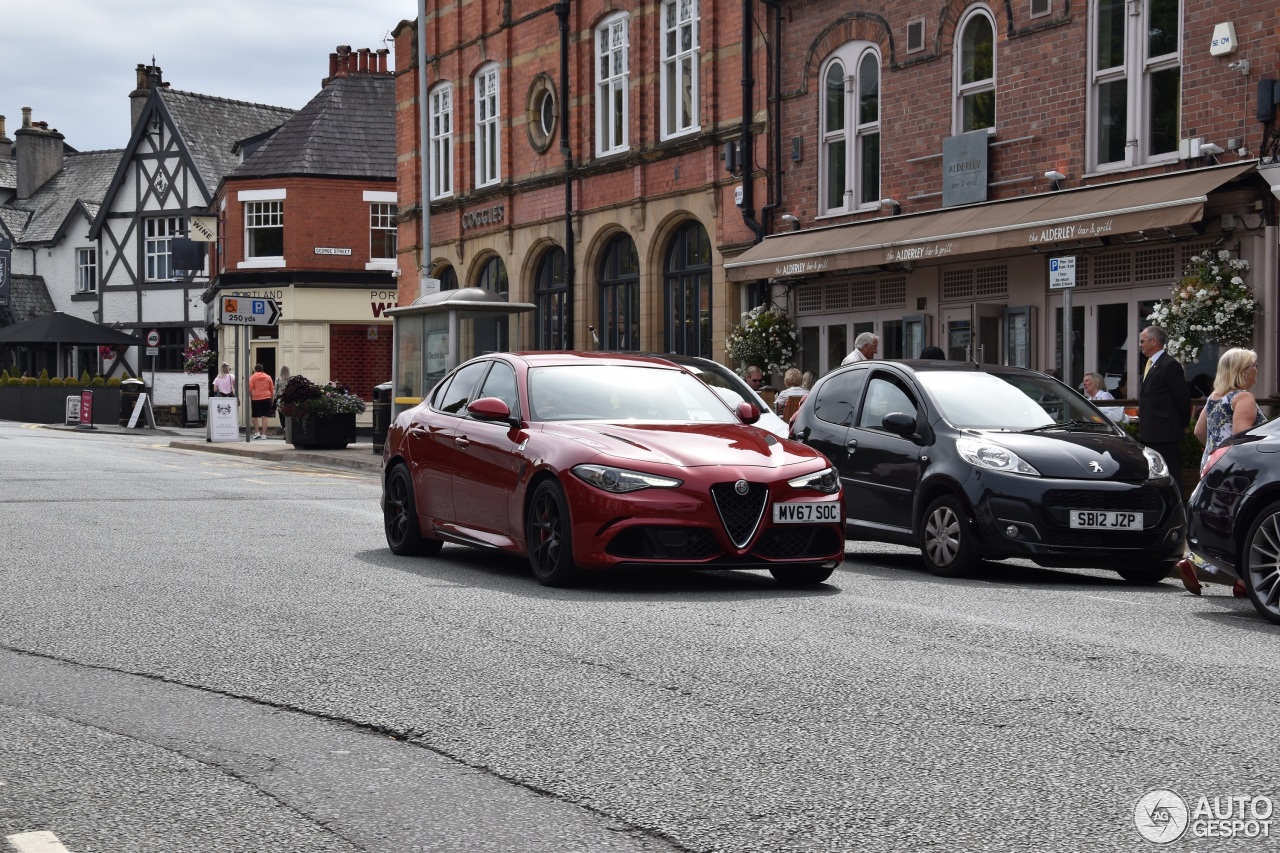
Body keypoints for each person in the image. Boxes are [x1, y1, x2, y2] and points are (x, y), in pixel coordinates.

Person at [1178, 347, 1265, 597]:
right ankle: (1233, 575)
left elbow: (1198, 432)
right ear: (1242, 371)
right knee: (1238, 518)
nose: (1256, 370)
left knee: (1217, 515)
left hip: (1213, 462)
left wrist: (1214, 451)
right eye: (1254, 365)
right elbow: (1241, 435)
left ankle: (1236, 578)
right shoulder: (1243, 398)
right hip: (1235, 466)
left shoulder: (1215, 396)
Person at [1137, 325, 1191, 486]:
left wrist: (1184, 424)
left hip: (1165, 431)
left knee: (1170, 470)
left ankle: (1178, 504)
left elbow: (1182, 397)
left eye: (1142, 341)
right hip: (1151, 430)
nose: (1140, 345)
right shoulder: (1151, 363)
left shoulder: (1169, 365)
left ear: (1154, 342)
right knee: (1153, 471)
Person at [248, 363, 275, 439]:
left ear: (255, 370)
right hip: (267, 397)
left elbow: (250, 389)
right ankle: (264, 435)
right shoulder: (268, 377)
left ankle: (257, 432)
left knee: (254, 416)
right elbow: (271, 389)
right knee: (265, 417)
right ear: (263, 370)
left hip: (256, 398)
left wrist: (251, 396)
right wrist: (271, 398)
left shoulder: (252, 377)